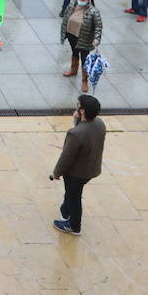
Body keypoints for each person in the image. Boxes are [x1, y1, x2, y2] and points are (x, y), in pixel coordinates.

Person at [50, 94, 106, 236]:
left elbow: (66, 157)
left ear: (82, 111)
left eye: (78, 105)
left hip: (77, 172)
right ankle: (65, 210)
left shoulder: (75, 133)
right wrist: (77, 120)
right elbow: (87, 137)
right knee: (72, 192)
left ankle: (74, 226)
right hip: (92, 167)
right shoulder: (100, 123)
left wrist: (56, 173)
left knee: (74, 197)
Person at [58, 0, 102, 93]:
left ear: (88, 0)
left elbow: (98, 26)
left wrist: (96, 38)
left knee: (84, 58)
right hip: (71, 34)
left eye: (83, 0)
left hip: (84, 38)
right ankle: (73, 70)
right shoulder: (72, 5)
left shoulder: (93, 11)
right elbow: (66, 17)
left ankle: (84, 81)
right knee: (74, 52)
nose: (80, 1)